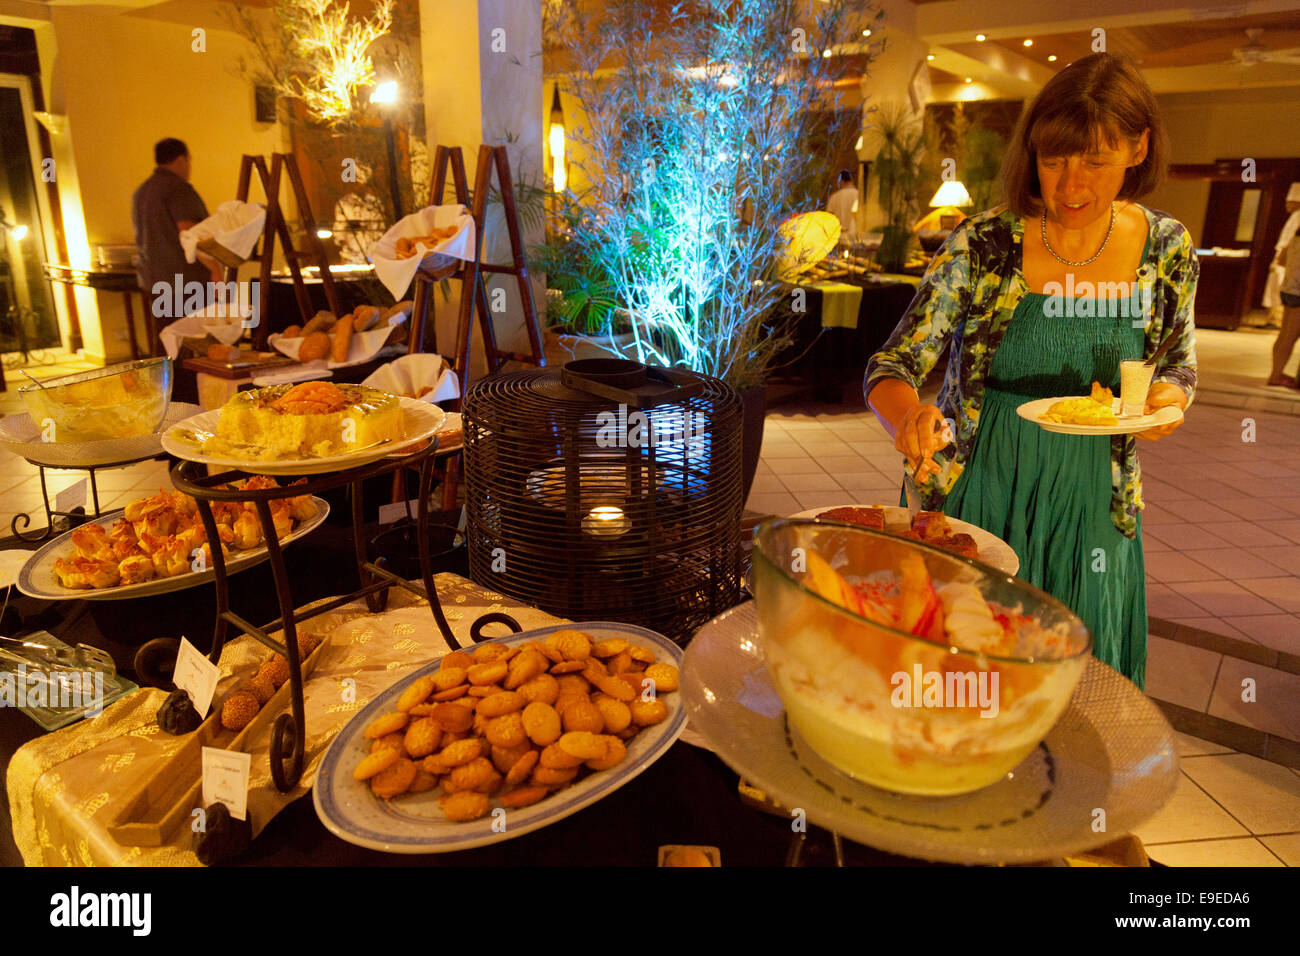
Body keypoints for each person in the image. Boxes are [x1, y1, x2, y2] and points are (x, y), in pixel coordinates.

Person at [864, 53, 1197, 689]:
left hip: (1094, 496)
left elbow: (1179, 365)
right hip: (982, 479)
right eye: (1054, 160)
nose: (1071, 185)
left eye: (1095, 160)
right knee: (970, 662)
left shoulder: (1167, 248)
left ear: (1137, 148)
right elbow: (894, 362)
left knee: (1078, 677)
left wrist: (1166, 401)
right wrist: (909, 415)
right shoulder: (985, 242)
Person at [132, 138, 216, 324]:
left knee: (168, 338)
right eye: (189, 160)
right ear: (181, 159)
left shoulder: (141, 192)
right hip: (185, 283)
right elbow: (191, 234)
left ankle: (167, 357)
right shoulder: (178, 189)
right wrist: (215, 270)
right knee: (195, 339)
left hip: (154, 281)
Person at [1266, 182, 1300, 386]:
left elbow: (1281, 260)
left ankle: (1275, 372)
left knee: (1283, 334)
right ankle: (1276, 375)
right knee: (1290, 336)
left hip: (1289, 288)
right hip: (1298, 291)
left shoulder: (1294, 240)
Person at [826, 169, 859, 242]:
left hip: (838, 236)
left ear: (842, 181)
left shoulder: (834, 197)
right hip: (855, 236)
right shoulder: (859, 195)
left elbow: (828, 217)